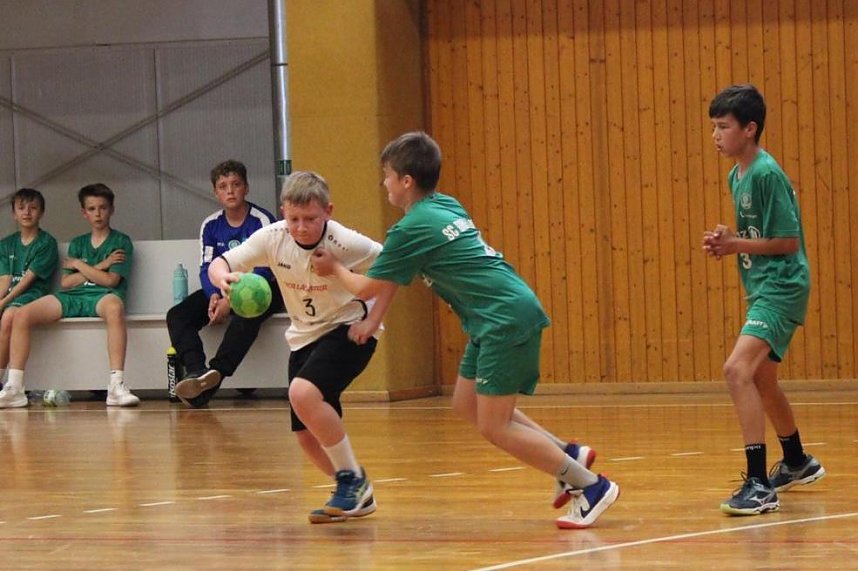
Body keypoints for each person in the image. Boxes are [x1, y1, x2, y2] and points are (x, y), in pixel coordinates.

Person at [312, 131, 619, 529]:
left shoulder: (409, 230)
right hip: (495, 314)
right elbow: (393, 277)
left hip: (502, 319)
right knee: (467, 403)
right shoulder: (442, 205)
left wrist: (333, 269)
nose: (383, 182)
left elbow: (368, 286)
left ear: (406, 181)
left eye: (387, 174)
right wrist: (372, 319)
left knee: (495, 424)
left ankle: (590, 485)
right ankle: (568, 453)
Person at [208, 171, 382, 523]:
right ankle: (351, 491)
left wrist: (372, 318)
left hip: (348, 328)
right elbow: (222, 262)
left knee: (302, 393)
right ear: (283, 213)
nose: (301, 227)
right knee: (305, 437)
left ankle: (354, 481)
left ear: (328, 211)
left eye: (310, 219)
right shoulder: (272, 238)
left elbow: (389, 270)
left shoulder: (346, 242)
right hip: (304, 336)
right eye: (293, 219)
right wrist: (222, 278)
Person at [704, 84, 825, 516]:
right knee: (762, 378)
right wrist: (728, 239)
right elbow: (757, 235)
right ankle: (796, 461)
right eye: (714, 127)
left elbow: (788, 241)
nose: (716, 135)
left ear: (749, 129)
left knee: (736, 370)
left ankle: (758, 483)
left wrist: (736, 246)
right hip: (765, 286)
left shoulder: (766, 173)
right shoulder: (737, 174)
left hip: (783, 286)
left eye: (724, 127)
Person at [0, 183, 140, 408]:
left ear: (111, 210)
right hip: (73, 296)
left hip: (103, 296)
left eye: (103, 208)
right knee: (21, 314)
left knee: (115, 308)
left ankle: (116, 385)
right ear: (84, 212)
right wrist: (101, 265)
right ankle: (15, 387)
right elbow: (66, 282)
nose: (98, 213)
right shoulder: (78, 242)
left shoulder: (121, 241)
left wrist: (79, 265)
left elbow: (110, 281)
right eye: (92, 209)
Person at [168, 159, 283, 408]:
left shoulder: (262, 220)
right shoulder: (210, 225)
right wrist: (214, 296)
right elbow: (206, 266)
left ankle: (215, 376)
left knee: (247, 315)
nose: (230, 191)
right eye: (223, 186)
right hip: (223, 287)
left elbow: (266, 268)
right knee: (177, 315)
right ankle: (196, 372)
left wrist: (230, 302)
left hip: (264, 288)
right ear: (216, 192)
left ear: (246, 188)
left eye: (236, 184)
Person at [0, 188, 59, 389]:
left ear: (41, 212)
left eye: (33, 208)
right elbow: (5, 280)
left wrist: (3, 303)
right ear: (13, 213)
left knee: (8, 316)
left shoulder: (46, 242)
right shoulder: (6, 244)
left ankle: (5, 381)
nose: (27, 212)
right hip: (10, 297)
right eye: (21, 208)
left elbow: (27, 281)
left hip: (33, 295)